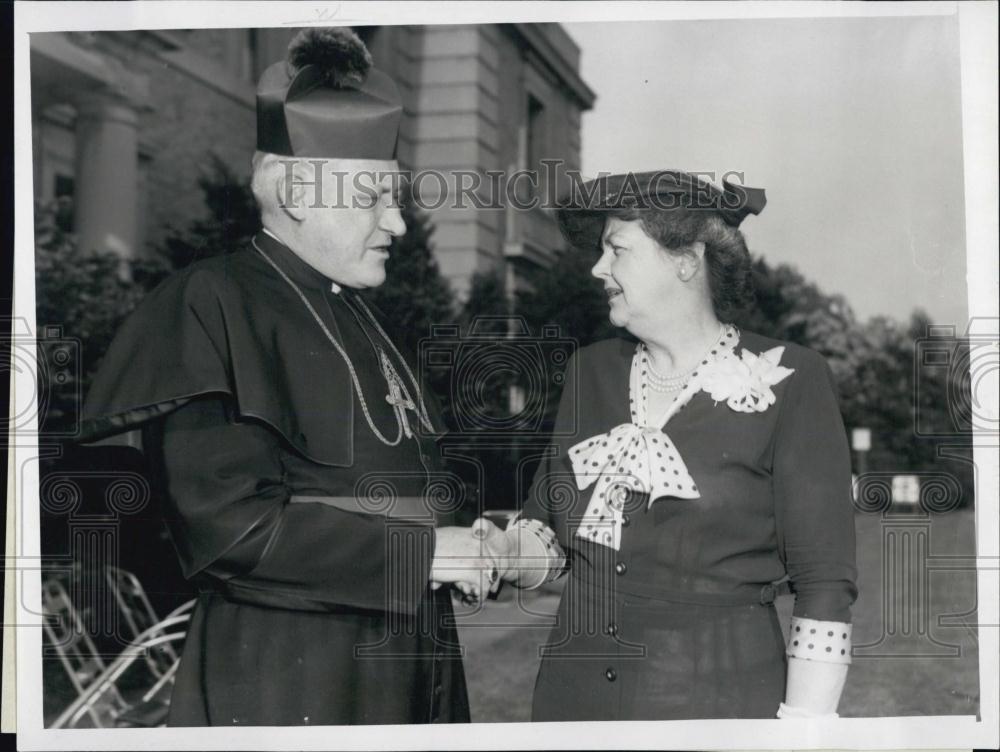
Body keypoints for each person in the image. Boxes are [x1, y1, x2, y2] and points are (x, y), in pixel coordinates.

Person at [78, 28, 497, 726]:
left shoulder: (361, 313)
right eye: (375, 199)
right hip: (291, 671)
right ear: (298, 190)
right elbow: (229, 532)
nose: (397, 222)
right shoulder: (210, 303)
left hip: (414, 649)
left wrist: (466, 546)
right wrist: (424, 555)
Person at [474, 171, 858, 720]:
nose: (597, 269)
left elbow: (825, 582)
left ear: (685, 261)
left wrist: (804, 730)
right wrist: (504, 552)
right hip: (572, 702)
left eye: (617, 250)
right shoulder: (591, 372)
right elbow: (552, 533)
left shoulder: (792, 379)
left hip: (720, 705)